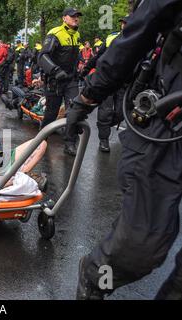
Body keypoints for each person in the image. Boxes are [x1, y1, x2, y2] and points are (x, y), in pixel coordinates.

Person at [64, 0, 182, 300]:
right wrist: (88, 96)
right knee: (143, 242)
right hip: (169, 120)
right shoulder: (60, 35)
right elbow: (129, 43)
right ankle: (96, 276)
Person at [80, 16, 129, 152]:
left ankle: (104, 125)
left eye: (127, 23)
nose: (123, 25)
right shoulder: (111, 38)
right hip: (108, 80)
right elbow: (97, 57)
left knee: (121, 112)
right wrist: (86, 69)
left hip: (124, 83)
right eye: (122, 23)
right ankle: (104, 140)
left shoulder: (138, 39)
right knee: (105, 111)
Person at [38, 7, 83, 156]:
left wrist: (80, 68)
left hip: (71, 80)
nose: (76, 18)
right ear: (64, 18)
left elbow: (74, 57)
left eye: (77, 16)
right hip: (55, 80)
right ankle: (40, 141)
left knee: (74, 110)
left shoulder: (77, 34)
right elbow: (42, 56)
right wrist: (56, 71)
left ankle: (70, 143)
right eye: (72, 16)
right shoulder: (55, 33)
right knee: (51, 113)